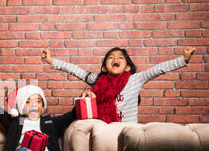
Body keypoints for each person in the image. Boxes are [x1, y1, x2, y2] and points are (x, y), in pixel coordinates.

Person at [41, 46, 196, 123]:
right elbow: (76, 70)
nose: (115, 58)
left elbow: (158, 69)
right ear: (103, 68)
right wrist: (52, 61)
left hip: (127, 130)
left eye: (120, 57)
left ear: (127, 67)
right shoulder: (97, 80)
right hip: (104, 129)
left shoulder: (135, 80)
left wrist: (183, 60)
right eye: (111, 57)